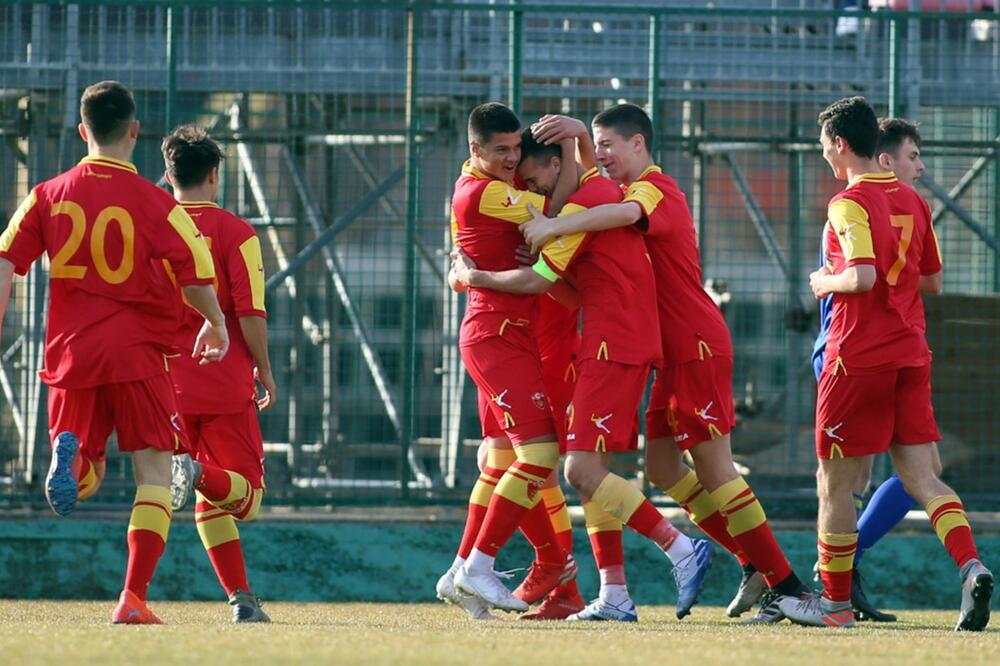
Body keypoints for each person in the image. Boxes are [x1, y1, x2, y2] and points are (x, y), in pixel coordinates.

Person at [520, 104, 810, 623]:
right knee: (661, 468)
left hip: (695, 344)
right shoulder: (615, 195)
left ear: (639, 144)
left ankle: (787, 584)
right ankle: (752, 563)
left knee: (717, 470)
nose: (601, 156)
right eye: (597, 146)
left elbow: (621, 211)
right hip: (665, 354)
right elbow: (590, 194)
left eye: (609, 145)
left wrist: (553, 222)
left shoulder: (656, 188)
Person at [453, 123, 714, 621]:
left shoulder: (578, 208)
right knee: (570, 467)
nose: (533, 194)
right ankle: (611, 592)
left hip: (610, 343)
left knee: (569, 467)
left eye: (536, 181)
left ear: (558, 164)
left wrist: (477, 274)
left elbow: (541, 278)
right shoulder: (579, 201)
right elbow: (567, 287)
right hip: (592, 340)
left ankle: (680, 550)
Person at [0, 81, 228, 624]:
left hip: (71, 354)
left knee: (85, 477)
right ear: (135, 131)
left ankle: (71, 456)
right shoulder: (158, 203)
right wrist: (215, 322)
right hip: (137, 354)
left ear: (83, 131)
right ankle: (132, 598)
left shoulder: (47, 194)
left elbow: (6, 260)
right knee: (154, 473)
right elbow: (196, 275)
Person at [778, 96, 992, 630]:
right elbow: (932, 280)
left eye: (824, 145)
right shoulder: (914, 201)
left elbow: (862, 276)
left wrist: (823, 281)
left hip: (856, 358)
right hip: (910, 353)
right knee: (923, 477)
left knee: (834, 484)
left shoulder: (847, 202)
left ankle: (833, 604)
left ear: (840, 144)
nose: (823, 154)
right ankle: (971, 567)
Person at [446, 102, 580, 613]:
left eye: (516, 147)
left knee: (500, 458)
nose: (511, 158)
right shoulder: (490, 193)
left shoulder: (482, 182)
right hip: (498, 335)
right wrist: (575, 145)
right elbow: (564, 214)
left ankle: (464, 569)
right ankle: (483, 567)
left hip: (508, 334)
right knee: (541, 457)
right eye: (500, 149)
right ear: (475, 149)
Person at [812, 117, 939, 622]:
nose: (920, 166)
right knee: (852, 478)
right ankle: (832, 581)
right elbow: (867, 277)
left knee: (883, 478)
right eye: (913, 157)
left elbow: (875, 277)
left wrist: (828, 280)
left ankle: (837, 579)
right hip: (851, 350)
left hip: (873, 352)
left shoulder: (879, 204)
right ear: (884, 158)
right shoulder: (861, 205)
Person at [161, 125, 276, 623]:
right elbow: (250, 313)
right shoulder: (236, 232)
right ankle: (196, 472)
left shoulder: (153, 227)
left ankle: (241, 599)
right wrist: (265, 371)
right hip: (224, 380)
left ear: (168, 175)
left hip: (165, 384)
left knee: (205, 494)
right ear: (214, 175)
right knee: (246, 500)